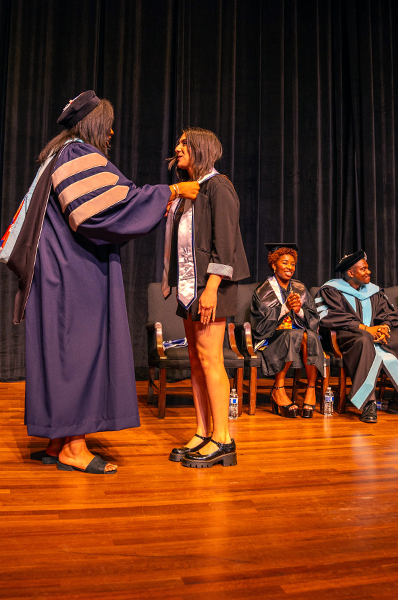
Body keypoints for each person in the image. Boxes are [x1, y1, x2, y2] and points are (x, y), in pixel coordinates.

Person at [0, 91, 199, 474]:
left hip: (59, 272)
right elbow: (104, 212)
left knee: (63, 355)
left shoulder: (57, 156)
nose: (112, 131)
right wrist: (170, 191)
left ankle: (58, 441)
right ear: (93, 124)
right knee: (79, 354)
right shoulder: (76, 154)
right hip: (72, 275)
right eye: (108, 123)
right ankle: (74, 447)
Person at [162, 127, 250, 468]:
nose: (177, 148)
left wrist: (212, 286)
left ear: (200, 148)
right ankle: (202, 431)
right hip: (190, 286)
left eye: (184, 143)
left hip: (213, 286)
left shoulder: (219, 187)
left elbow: (224, 243)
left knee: (211, 359)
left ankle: (223, 439)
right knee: (196, 360)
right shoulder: (191, 191)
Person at [316, 250, 398, 423]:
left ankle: (396, 399)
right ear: (350, 273)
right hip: (348, 337)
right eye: (364, 269)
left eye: (367, 268)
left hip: (373, 335)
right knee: (363, 339)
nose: (368, 272)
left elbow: (389, 314)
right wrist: (366, 329)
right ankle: (368, 403)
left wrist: (384, 327)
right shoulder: (331, 290)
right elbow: (327, 317)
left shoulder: (374, 291)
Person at [250, 244, 325, 418]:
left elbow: (313, 317)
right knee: (294, 334)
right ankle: (279, 388)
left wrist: (299, 310)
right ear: (274, 265)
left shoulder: (300, 288)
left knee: (310, 335)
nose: (289, 267)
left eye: (292, 264)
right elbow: (260, 325)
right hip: (271, 338)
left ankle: (311, 389)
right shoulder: (263, 291)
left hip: (299, 336)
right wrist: (284, 308)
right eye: (285, 263)